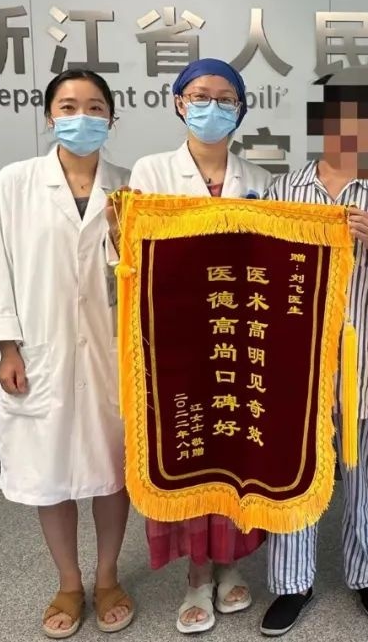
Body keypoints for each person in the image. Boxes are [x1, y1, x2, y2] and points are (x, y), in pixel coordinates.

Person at [111, 58, 273, 635]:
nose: (212, 107)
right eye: (200, 96)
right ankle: (197, 576)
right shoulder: (152, 171)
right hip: (176, 338)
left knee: (236, 448)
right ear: (179, 102)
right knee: (189, 447)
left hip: (239, 336)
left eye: (225, 98)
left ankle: (230, 564)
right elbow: (133, 255)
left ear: (241, 108)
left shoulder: (259, 177)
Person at [0, 69, 134, 639]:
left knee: (111, 469)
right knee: (51, 470)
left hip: (112, 351)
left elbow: (142, 275)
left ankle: (108, 576)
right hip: (42, 349)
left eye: (95, 107)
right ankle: (69, 583)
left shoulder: (129, 187)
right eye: (68, 106)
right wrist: (7, 347)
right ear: (49, 116)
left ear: (111, 118)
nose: (82, 117)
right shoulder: (16, 182)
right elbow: (0, 265)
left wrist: (120, 238)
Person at [259, 76, 368, 637]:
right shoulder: (283, 191)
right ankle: (292, 582)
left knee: (360, 471)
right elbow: (259, 270)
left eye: (359, 119)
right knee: (294, 472)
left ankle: (367, 572)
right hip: (297, 364)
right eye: (336, 118)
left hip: (363, 359)